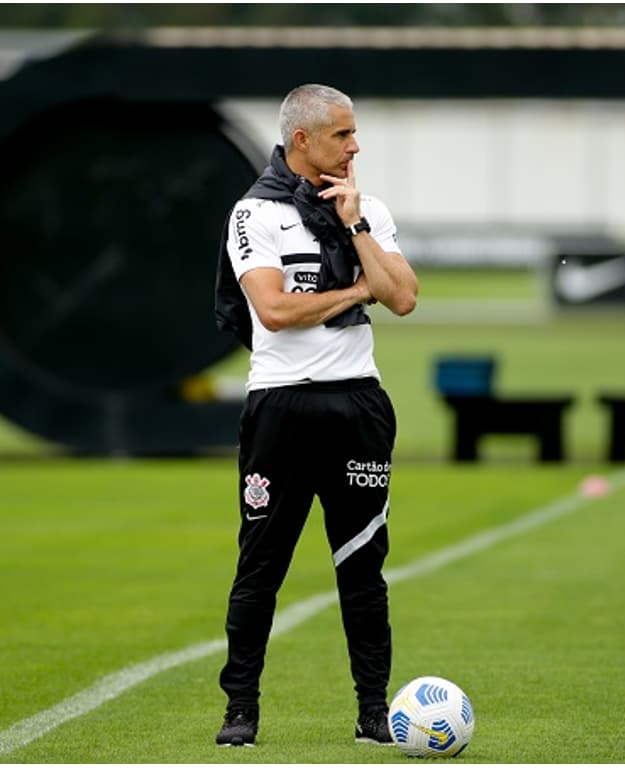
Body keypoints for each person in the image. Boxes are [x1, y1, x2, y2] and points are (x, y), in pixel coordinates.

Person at [212, 83, 418, 748]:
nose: (355, 147)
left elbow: (406, 298)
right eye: (342, 135)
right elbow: (273, 312)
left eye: (355, 133)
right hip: (281, 404)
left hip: (358, 401)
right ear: (302, 141)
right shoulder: (255, 215)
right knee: (261, 566)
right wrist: (360, 290)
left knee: (362, 566)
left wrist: (356, 225)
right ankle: (240, 709)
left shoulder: (369, 210)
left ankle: (373, 712)